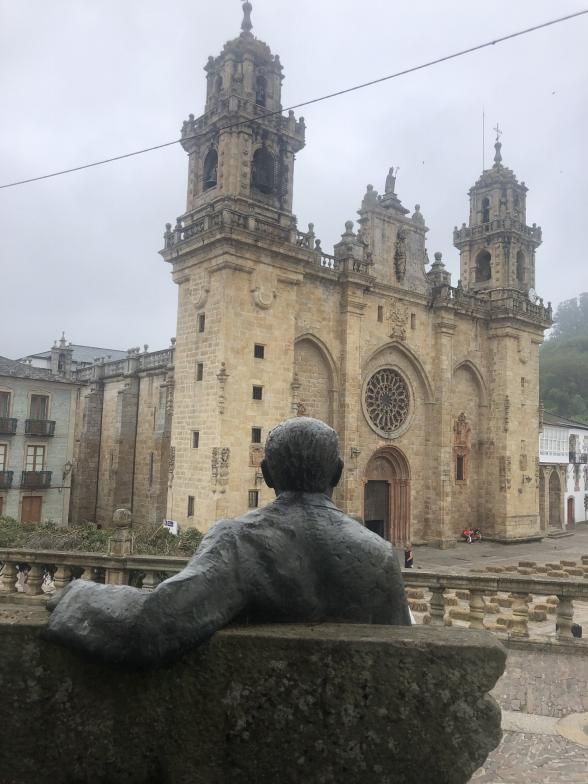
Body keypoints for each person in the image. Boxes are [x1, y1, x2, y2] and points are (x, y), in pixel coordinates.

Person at [45, 417, 411, 667]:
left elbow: (155, 625)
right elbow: (402, 654)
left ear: (266, 474)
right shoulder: (379, 554)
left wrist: (77, 594)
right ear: (338, 473)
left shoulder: (239, 541)